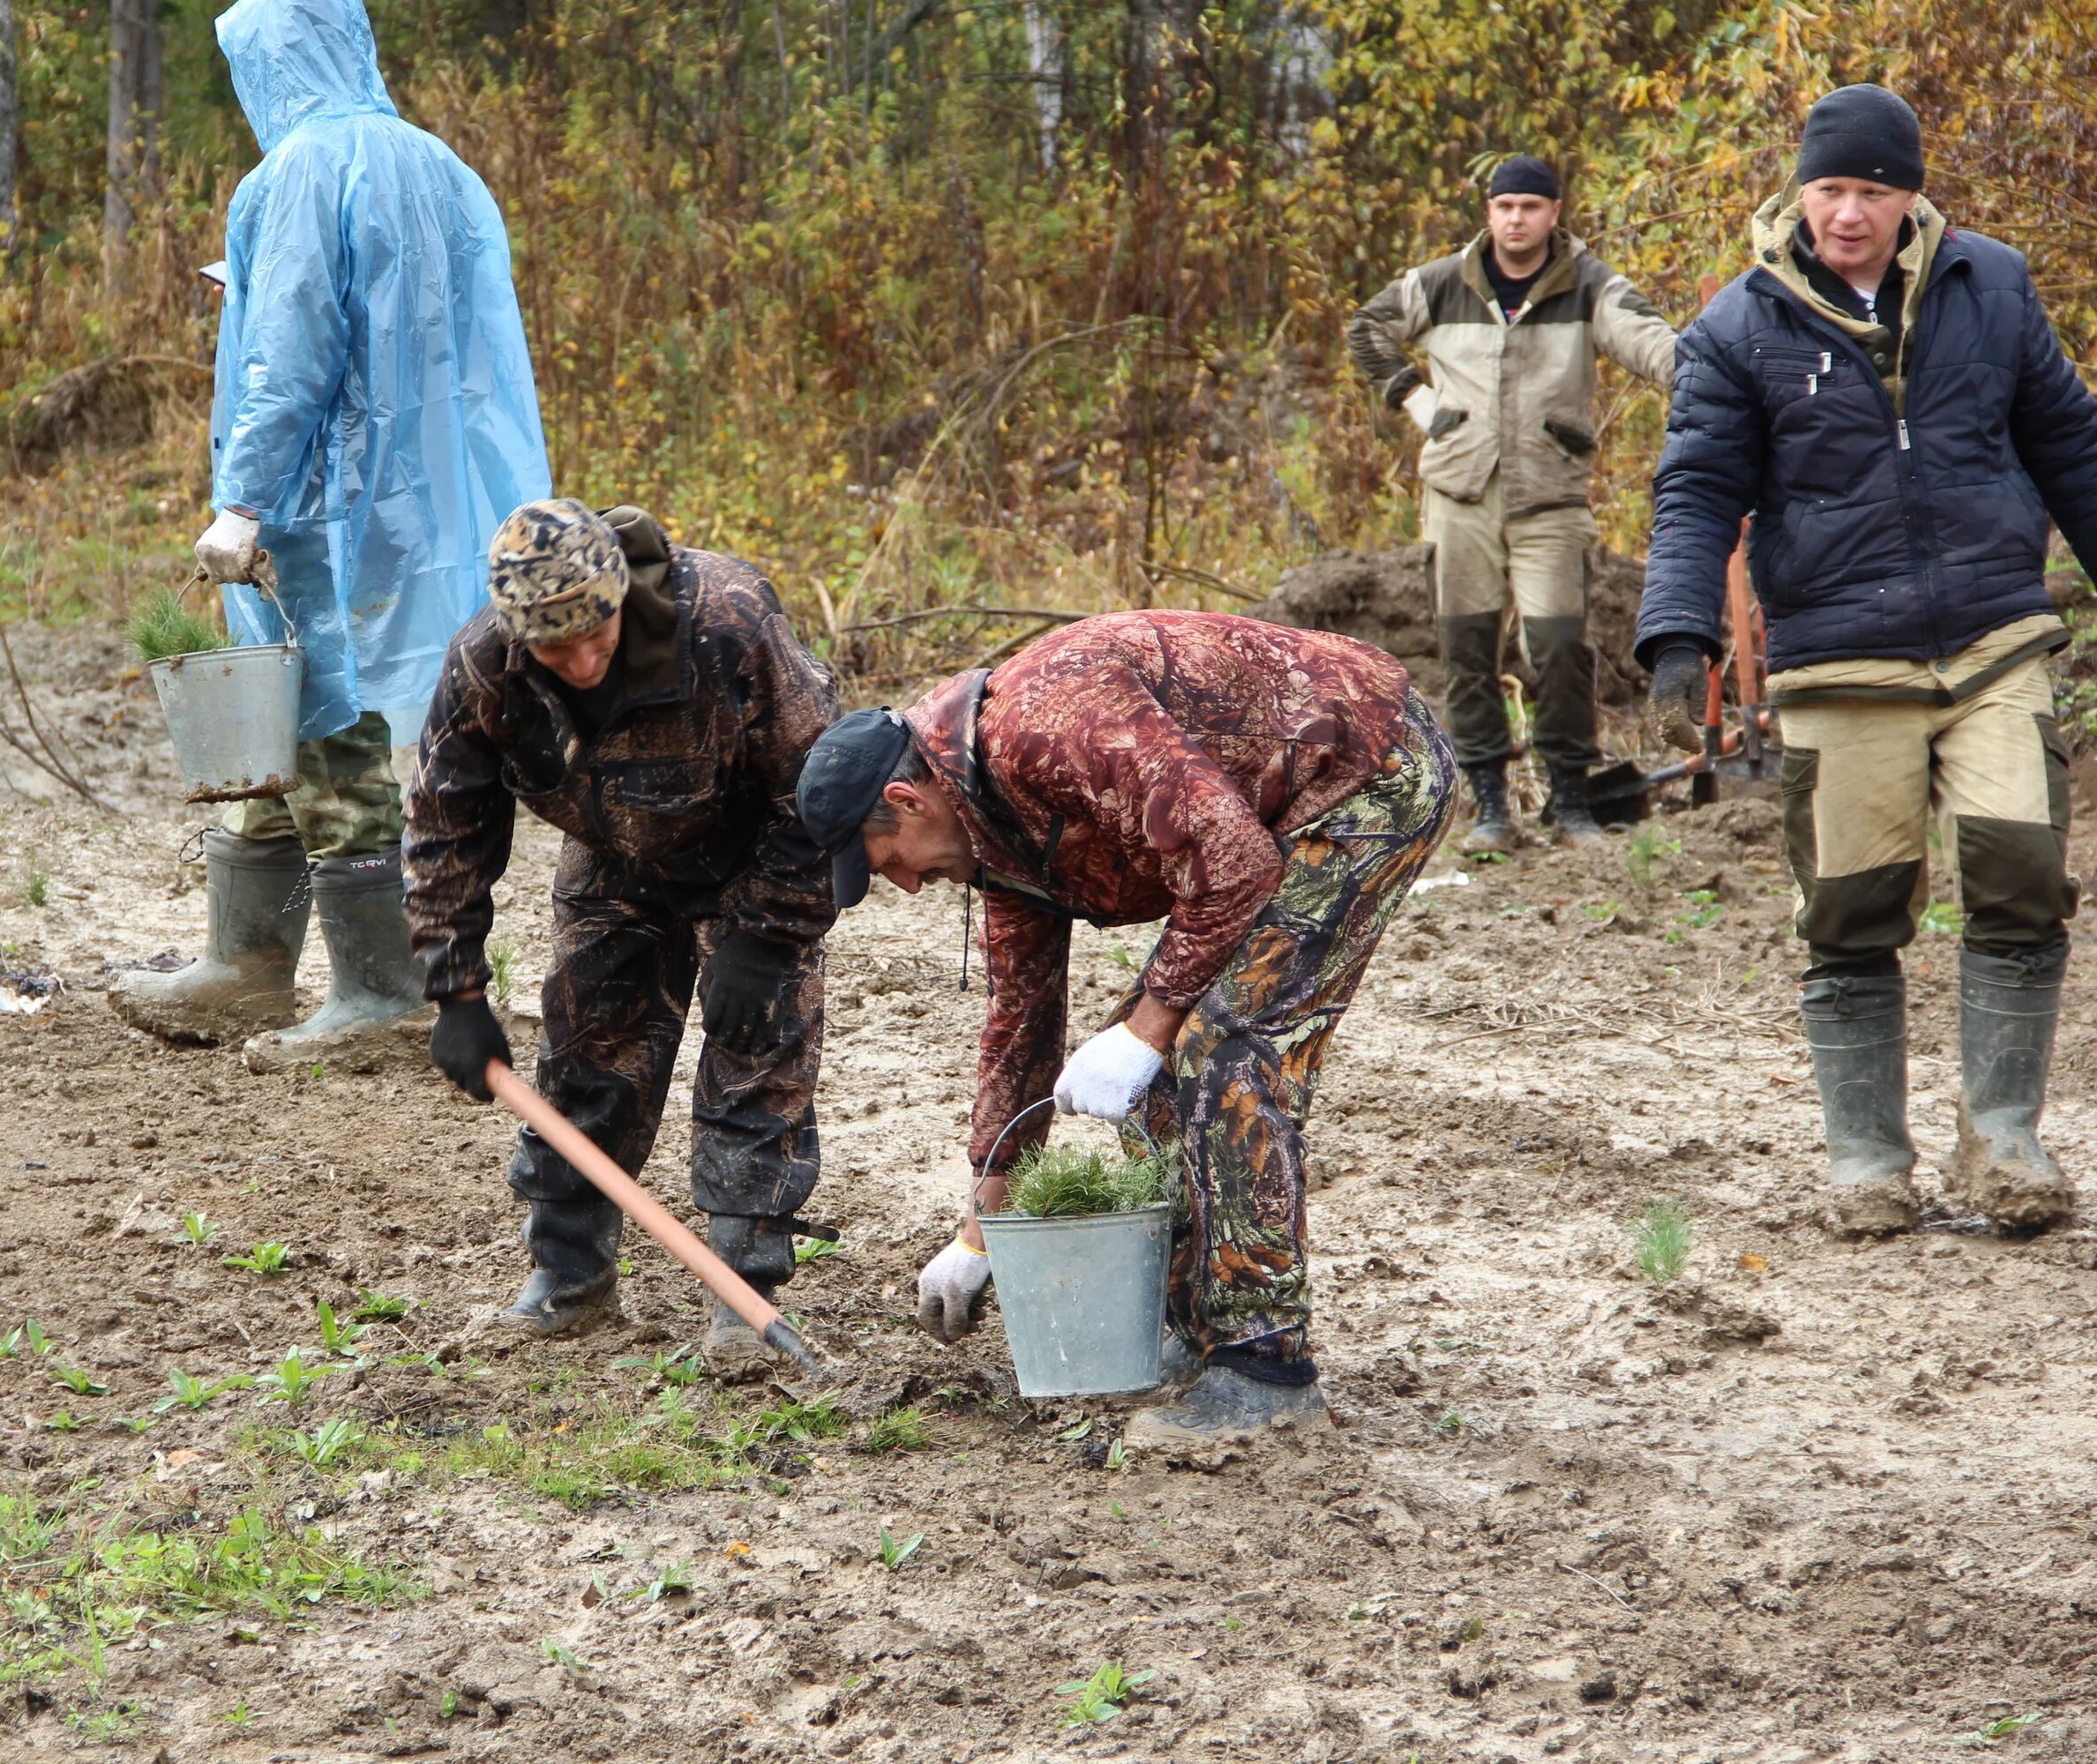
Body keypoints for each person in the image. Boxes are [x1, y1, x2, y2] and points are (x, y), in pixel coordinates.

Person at [796, 611, 1452, 1448]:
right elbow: (1020, 1026)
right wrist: (981, 1230)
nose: (910, 887)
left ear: (905, 799)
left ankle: (1263, 1370)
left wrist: (1148, 1029)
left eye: (889, 863)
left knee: (1227, 1047)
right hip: (1261, 820)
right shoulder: (988, 828)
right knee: (1162, 1072)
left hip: (1367, 770)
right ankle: (1196, 1336)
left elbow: (1235, 863)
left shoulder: (1049, 727)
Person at [1640, 85, 2097, 1237]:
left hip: (1991, 629)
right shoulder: (1735, 331)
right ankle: (1866, 1160)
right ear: (1802, 189)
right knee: (1849, 906)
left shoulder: (1988, 285)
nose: (1850, 213)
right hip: (1840, 655)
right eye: (1832, 188)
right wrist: (1677, 633)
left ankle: (2002, 1139)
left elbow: (2068, 443)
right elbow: (1697, 493)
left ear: (1910, 195)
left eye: (1875, 191)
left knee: (2023, 867)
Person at [113, 0, 550, 1066]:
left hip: (323, 494)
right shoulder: (440, 165)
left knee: (317, 712)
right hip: (425, 494)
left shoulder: (299, 169)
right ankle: (248, 963)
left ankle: (379, 987)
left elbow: (294, 346)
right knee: (285, 707)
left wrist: (245, 498)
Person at [405, 499, 839, 1373]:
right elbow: (445, 822)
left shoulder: (727, 622)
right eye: (555, 651)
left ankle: (740, 1293)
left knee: (757, 1050)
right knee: (587, 1044)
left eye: (594, 635)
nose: (582, 660)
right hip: (614, 855)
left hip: (754, 852)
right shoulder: (486, 666)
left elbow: (826, 787)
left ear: (619, 600)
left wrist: (769, 931)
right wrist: (455, 988)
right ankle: (568, 1278)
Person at [1348, 154, 1677, 848]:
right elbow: (1366, 329)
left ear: (1555, 213)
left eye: (1531, 207)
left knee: (1560, 647)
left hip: (1550, 497)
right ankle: (1492, 806)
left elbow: (1654, 347)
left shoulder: (1588, 285)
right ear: (1489, 213)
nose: (1517, 219)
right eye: (1505, 207)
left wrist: (1712, 377)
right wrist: (1418, 400)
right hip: (1459, 491)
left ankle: (1570, 799)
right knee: (1466, 648)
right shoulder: (1441, 283)